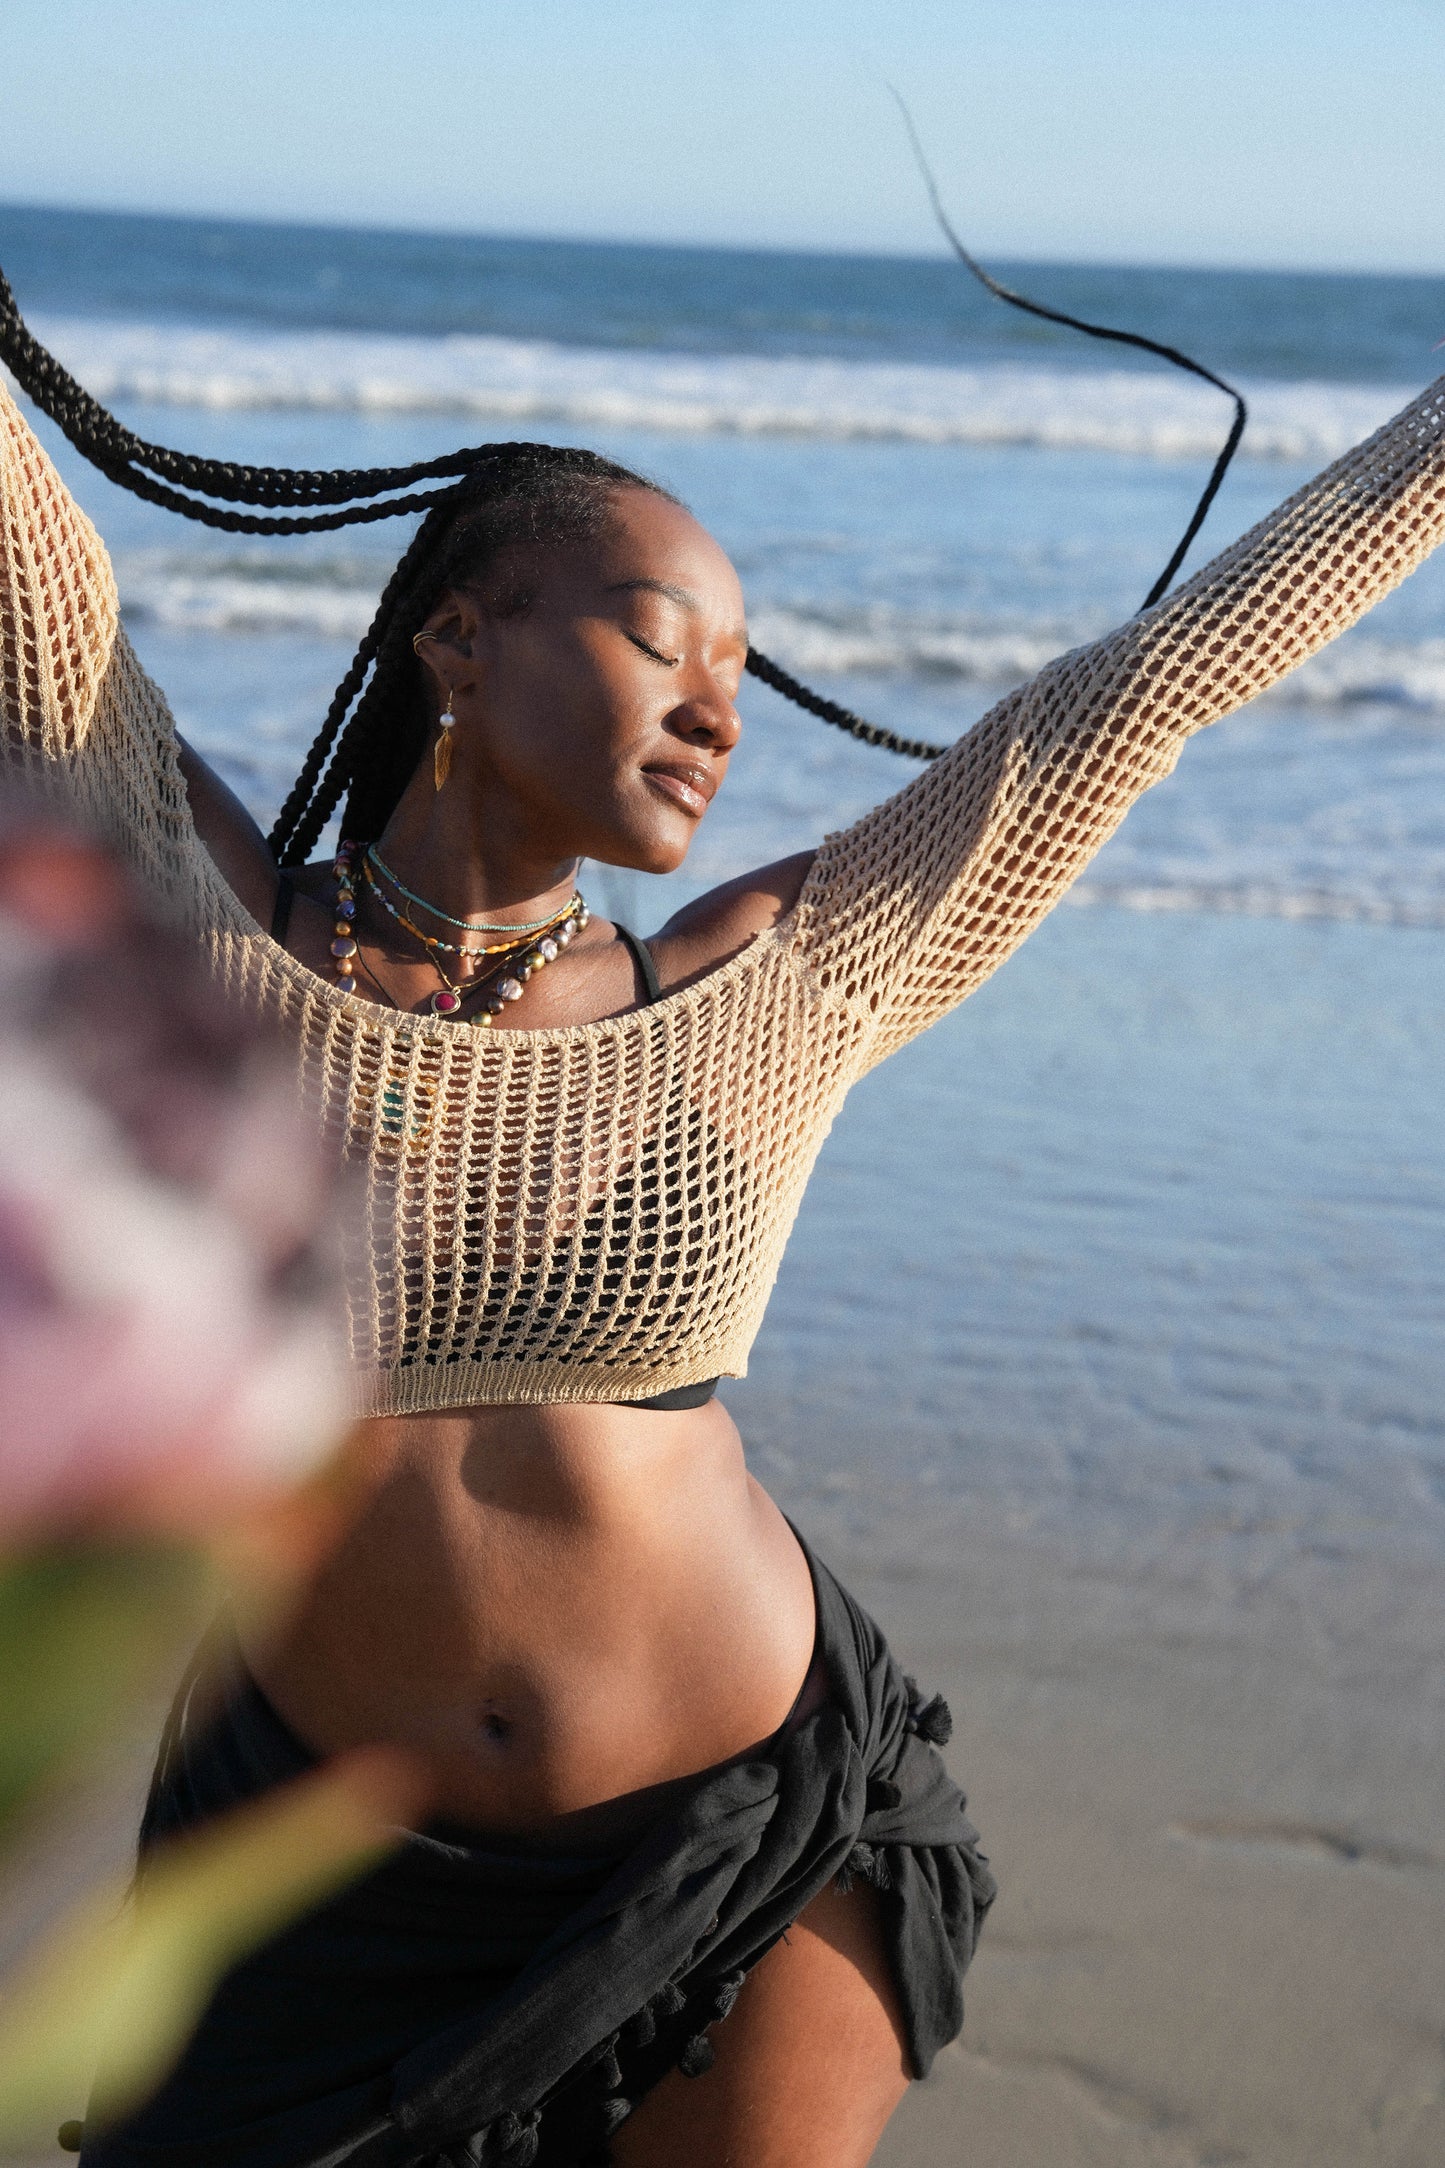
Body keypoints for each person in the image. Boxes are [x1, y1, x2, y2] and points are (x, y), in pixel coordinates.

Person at [3, 282, 1444, 2166]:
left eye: (750, 673)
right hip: (317, 1868)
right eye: (664, 639)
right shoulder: (188, 897)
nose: (722, 711)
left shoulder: (783, 976)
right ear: (459, 634)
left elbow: (1154, 682)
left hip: (745, 1834)